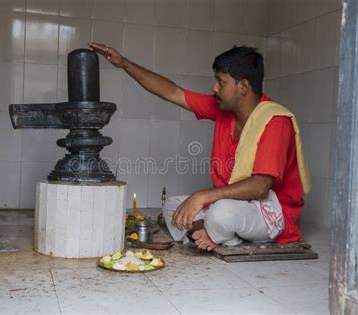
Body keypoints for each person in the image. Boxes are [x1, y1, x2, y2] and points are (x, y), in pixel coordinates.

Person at [88, 42, 311, 251]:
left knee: (221, 213)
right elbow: (172, 92)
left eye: (221, 82)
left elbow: (260, 186)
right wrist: (124, 63)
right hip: (234, 205)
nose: (214, 88)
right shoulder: (224, 110)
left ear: (243, 86)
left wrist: (201, 197)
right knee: (174, 207)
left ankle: (217, 232)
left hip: (270, 212)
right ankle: (218, 235)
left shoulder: (274, 121)